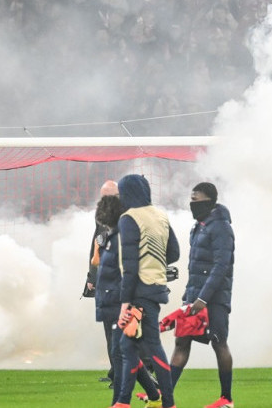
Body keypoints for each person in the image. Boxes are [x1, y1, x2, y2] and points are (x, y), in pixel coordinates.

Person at [92, 182, 163, 408]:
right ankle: (154, 397)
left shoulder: (123, 234)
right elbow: (97, 262)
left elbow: (124, 268)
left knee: (120, 351)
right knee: (123, 351)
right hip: (108, 298)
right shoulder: (110, 234)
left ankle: (119, 402)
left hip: (120, 300)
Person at [113, 174, 179, 408]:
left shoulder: (129, 218)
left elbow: (130, 267)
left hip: (139, 291)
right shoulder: (160, 215)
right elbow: (174, 253)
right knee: (127, 345)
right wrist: (154, 260)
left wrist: (124, 304)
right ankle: (125, 401)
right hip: (157, 287)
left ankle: (168, 403)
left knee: (152, 346)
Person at [170, 182, 235, 408]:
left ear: (209, 200)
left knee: (219, 343)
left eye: (195, 200)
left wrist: (203, 298)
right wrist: (190, 296)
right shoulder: (199, 226)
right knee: (181, 342)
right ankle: (164, 399)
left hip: (213, 299)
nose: (191, 204)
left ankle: (227, 399)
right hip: (194, 297)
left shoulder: (221, 227)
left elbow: (221, 266)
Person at [86, 179, 120, 384]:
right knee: (110, 327)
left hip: (119, 280)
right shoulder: (102, 216)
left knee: (122, 328)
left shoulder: (125, 216)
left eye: (112, 196)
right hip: (104, 279)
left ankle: (130, 373)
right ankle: (115, 371)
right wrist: (92, 275)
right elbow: (96, 242)